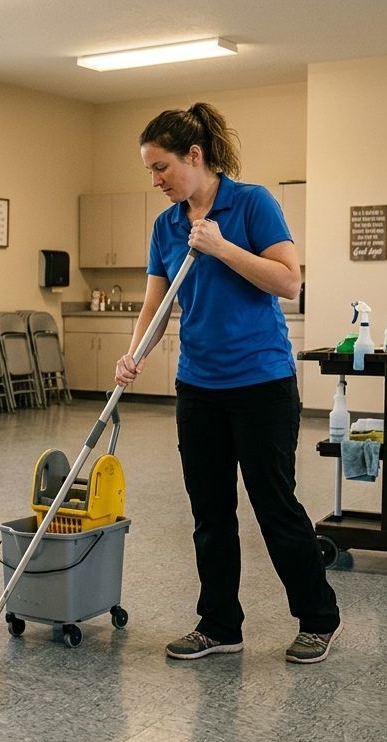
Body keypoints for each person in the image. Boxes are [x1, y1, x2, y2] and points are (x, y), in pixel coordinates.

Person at [114, 103, 341, 664]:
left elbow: (289, 281)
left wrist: (220, 247)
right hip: (199, 386)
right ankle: (219, 624)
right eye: (150, 170)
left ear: (195, 156)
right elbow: (156, 305)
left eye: (162, 167)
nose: (156, 180)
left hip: (262, 382)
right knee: (210, 512)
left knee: (274, 506)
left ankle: (318, 617)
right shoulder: (165, 226)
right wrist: (132, 352)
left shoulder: (253, 203)